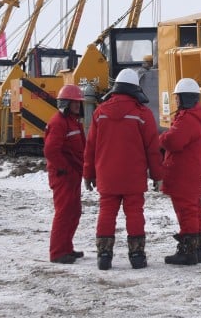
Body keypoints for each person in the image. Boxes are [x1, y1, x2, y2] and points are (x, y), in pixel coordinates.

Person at [83, 68, 164, 270]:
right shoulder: (142, 114)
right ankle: (137, 256)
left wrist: (88, 173)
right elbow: (152, 149)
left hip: (106, 176)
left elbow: (90, 147)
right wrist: (157, 176)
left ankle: (104, 256)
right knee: (135, 213)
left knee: (106, 213)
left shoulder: (100, 113)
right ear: (135, 89)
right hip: (133, 177)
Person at [159, 78, 201, 265]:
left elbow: (173, 141)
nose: (176, 102)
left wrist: (160, 139)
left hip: (184, 173)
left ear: (184, 98)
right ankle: (196, 249)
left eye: (178, 98)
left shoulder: (187, 119)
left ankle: (188, 252)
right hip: (193, 171)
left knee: (186, 210)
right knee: (194, 209)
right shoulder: (197, 117)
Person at [43, 84, 86, 264]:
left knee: (73, 212)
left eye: (78, 103)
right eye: (75, 103)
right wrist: (64, 169)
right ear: (66, 103)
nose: (78, 106)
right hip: (64, 176)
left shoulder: (72, 121)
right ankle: (58, 252)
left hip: (72, 174)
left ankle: (66, 248)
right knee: (64, 212)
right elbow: (51, 150)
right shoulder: (59, 123)